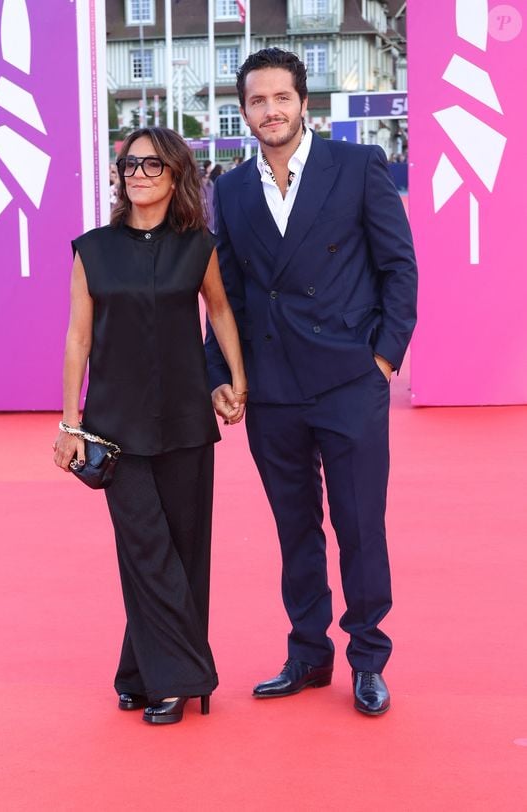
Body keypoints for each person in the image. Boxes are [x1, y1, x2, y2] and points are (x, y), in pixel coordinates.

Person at [205, 48, 417, 715]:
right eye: (256, 102)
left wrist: (381, 359)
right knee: (295, 530)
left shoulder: (356, 168)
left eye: (281, 98)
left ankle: (368, 659)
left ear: (305, 103)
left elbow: (399, 270)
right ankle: (306, 653)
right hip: (272, 389)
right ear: (244, 112)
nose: (270, 111)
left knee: (360, 526)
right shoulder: (231, 189)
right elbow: (227, 295)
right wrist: (222, 374)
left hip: (350, 381)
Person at [53, 127, 247, 725]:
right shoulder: (92, 249)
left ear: (175, 176)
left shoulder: (199, 247)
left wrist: (238, 381)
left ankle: (139, 671)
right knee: (146, 550)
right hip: (115, 429)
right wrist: (69, 423)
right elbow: (78, 337)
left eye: (152, 165)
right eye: (130, 164)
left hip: (188, 421)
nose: (138, 174)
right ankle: (182, 678)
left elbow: (217, 309)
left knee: (185, 551)